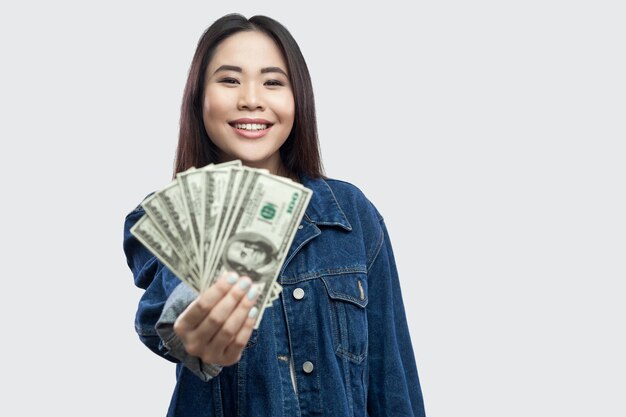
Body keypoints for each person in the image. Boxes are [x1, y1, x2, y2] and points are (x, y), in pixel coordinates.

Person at [123, 13, 426, 417]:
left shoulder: (352, 215)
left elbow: (392, 381)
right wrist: (188, 327)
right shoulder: (169, 213)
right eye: (229, 80)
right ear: (200, 98)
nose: (251, 98)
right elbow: (160, 314)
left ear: (298, 98)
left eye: (273, 82)